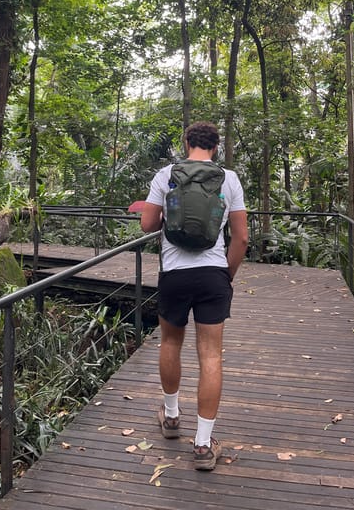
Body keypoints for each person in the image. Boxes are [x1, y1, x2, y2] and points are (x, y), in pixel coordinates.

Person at [140, 121, 249, 471]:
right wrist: (225, 276)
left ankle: (171, 417)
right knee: (211, 356)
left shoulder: (166, 174)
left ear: (187, 143)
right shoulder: (228, 179)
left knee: (170, 343)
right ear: (215, 147)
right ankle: (202, 444)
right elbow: (241, 238)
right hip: (213, 274)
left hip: (174, 273)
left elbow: (147, 225)